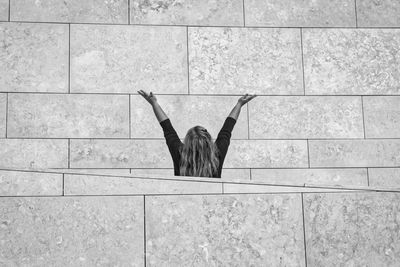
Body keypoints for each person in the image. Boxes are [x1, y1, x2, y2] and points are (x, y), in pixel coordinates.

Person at [137, 90, 257, 178]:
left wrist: (154, 104)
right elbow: (227, 128)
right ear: (208, 141)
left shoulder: (180, 154)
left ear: (187, 141)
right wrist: (239, 104)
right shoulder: (217, 154)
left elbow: (167, 128)